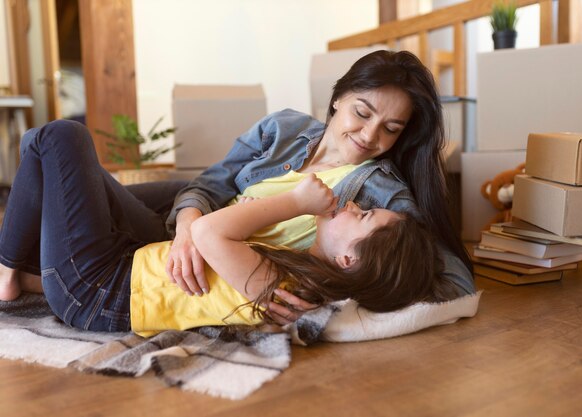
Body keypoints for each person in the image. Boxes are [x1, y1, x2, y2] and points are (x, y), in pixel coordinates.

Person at [0, 121, 446, 335]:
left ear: (348, 258)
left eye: (364, 215)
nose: (353, 205)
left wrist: (292, 202)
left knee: (59, 138)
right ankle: (27, 275)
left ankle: (7, 269)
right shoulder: (293, 276)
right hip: (121, 268)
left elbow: (209, 233)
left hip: (98, 289)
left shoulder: (284, 290)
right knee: (61, 164)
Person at [165, 50, 474, 322]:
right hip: (190, 231)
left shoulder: (384, 192)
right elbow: (207, 187)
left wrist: (330, 304)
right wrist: (186, 230)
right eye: (362, 113)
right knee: (122, 195)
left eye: (390, 129)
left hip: (203, 266)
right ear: (338, 97)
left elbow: (455, 285)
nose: (368, 136)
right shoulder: (282, 128)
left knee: (114, 211)